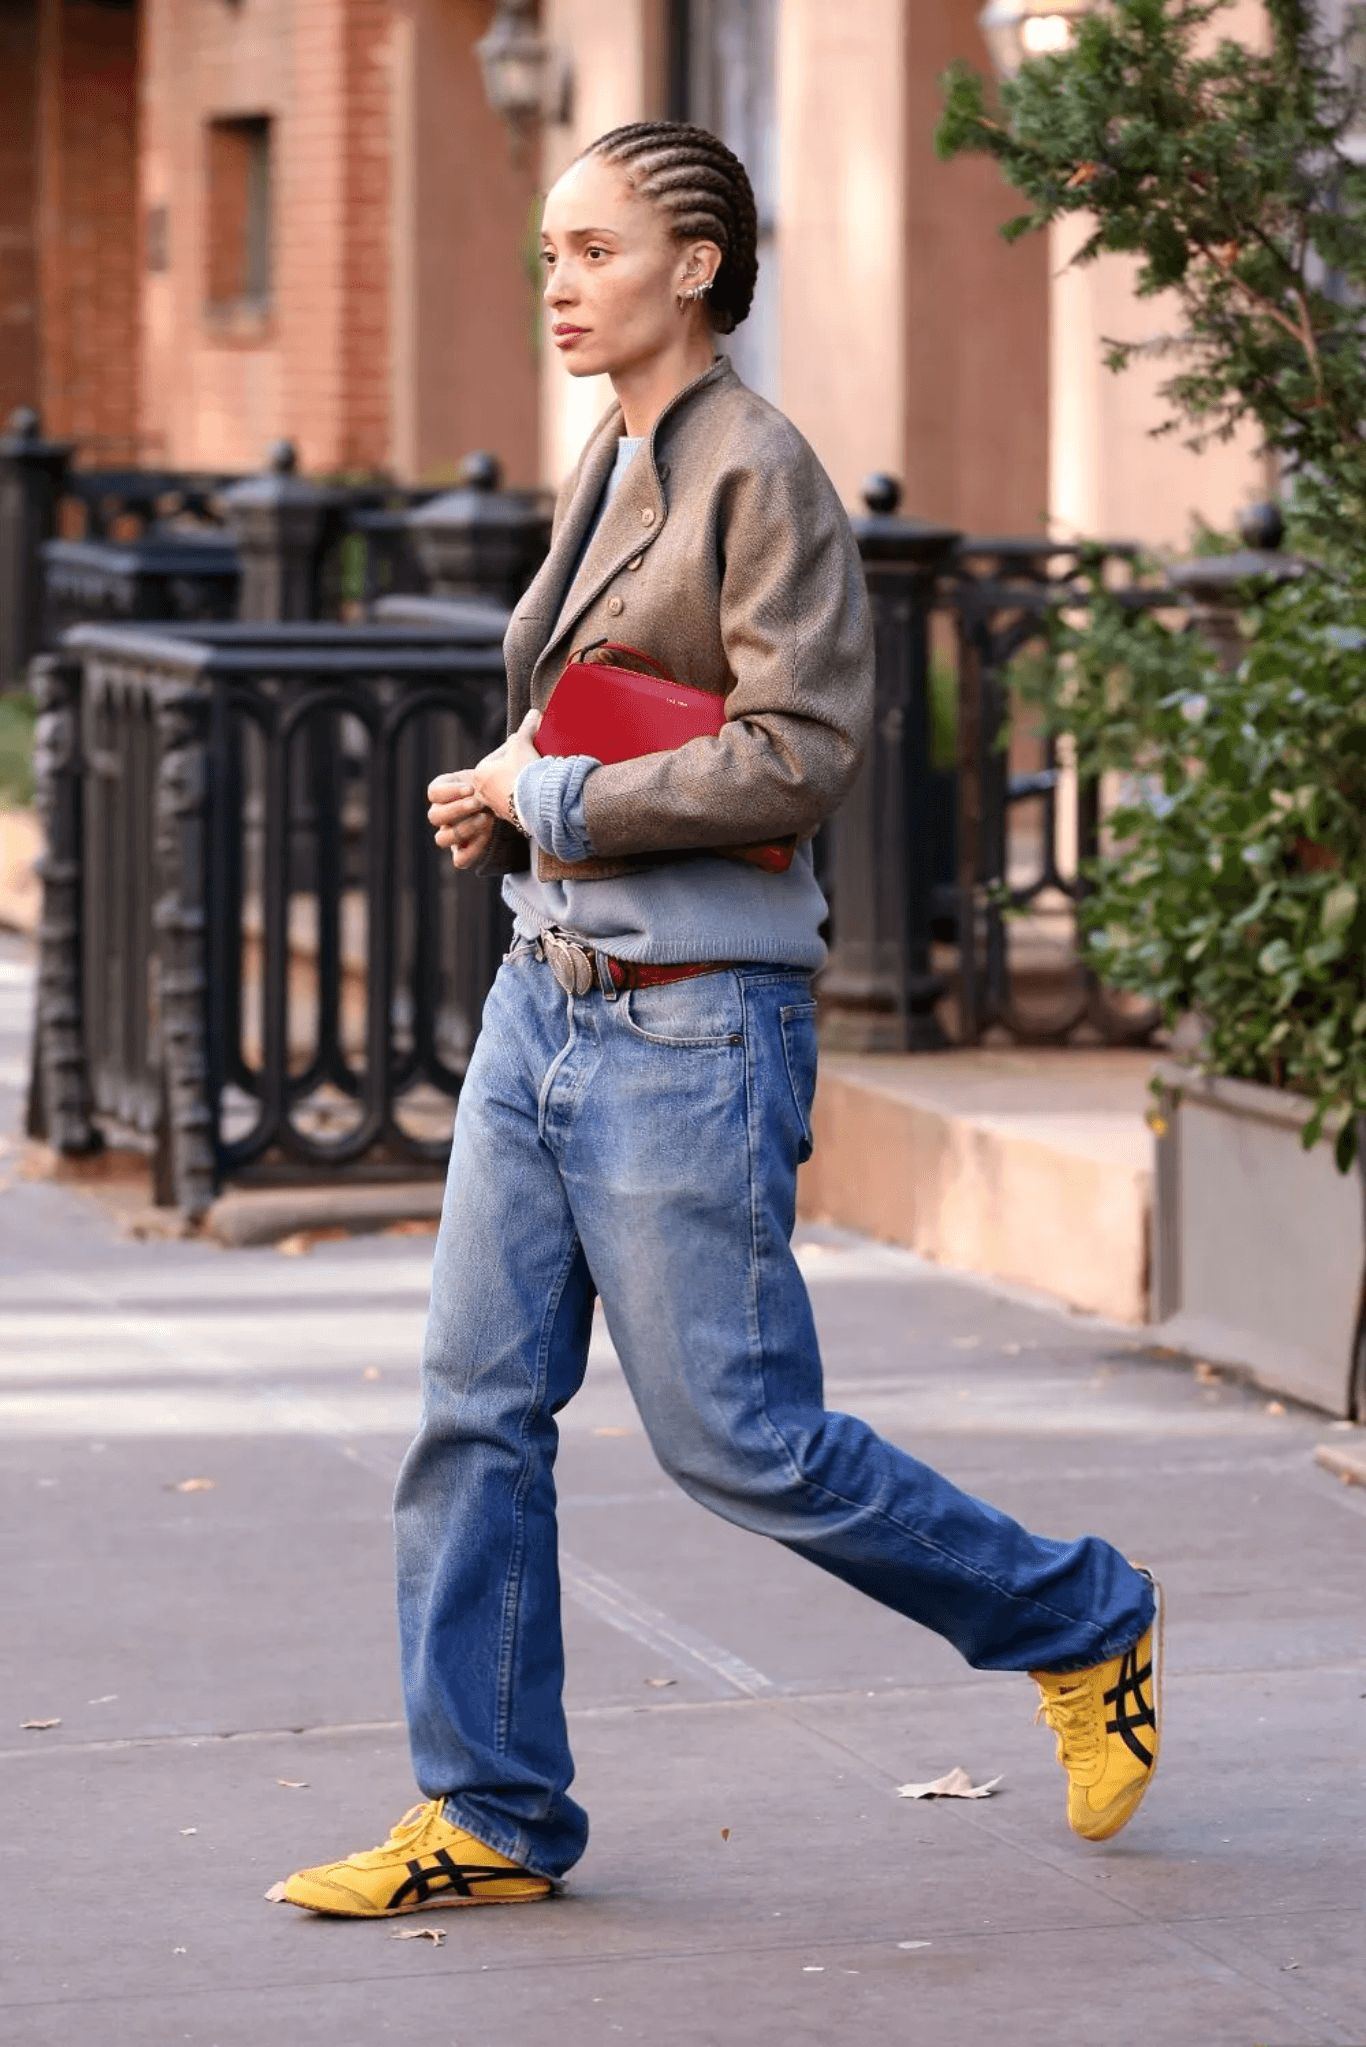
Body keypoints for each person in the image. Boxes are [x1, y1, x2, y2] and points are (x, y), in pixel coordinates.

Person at [278, 121, 1160, 1919]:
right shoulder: (609, 454)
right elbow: (607, 704)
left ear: (695, 264)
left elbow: (805, 748)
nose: (560, 284)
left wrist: (568, 805)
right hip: (549, 1000)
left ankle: (1083, 1618)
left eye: (594, 250)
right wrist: (505, 783)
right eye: (547, 254)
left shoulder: (762, 467)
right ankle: (490, 1810)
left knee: (741, 1442)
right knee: (470, 1414)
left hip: (691, 1025)